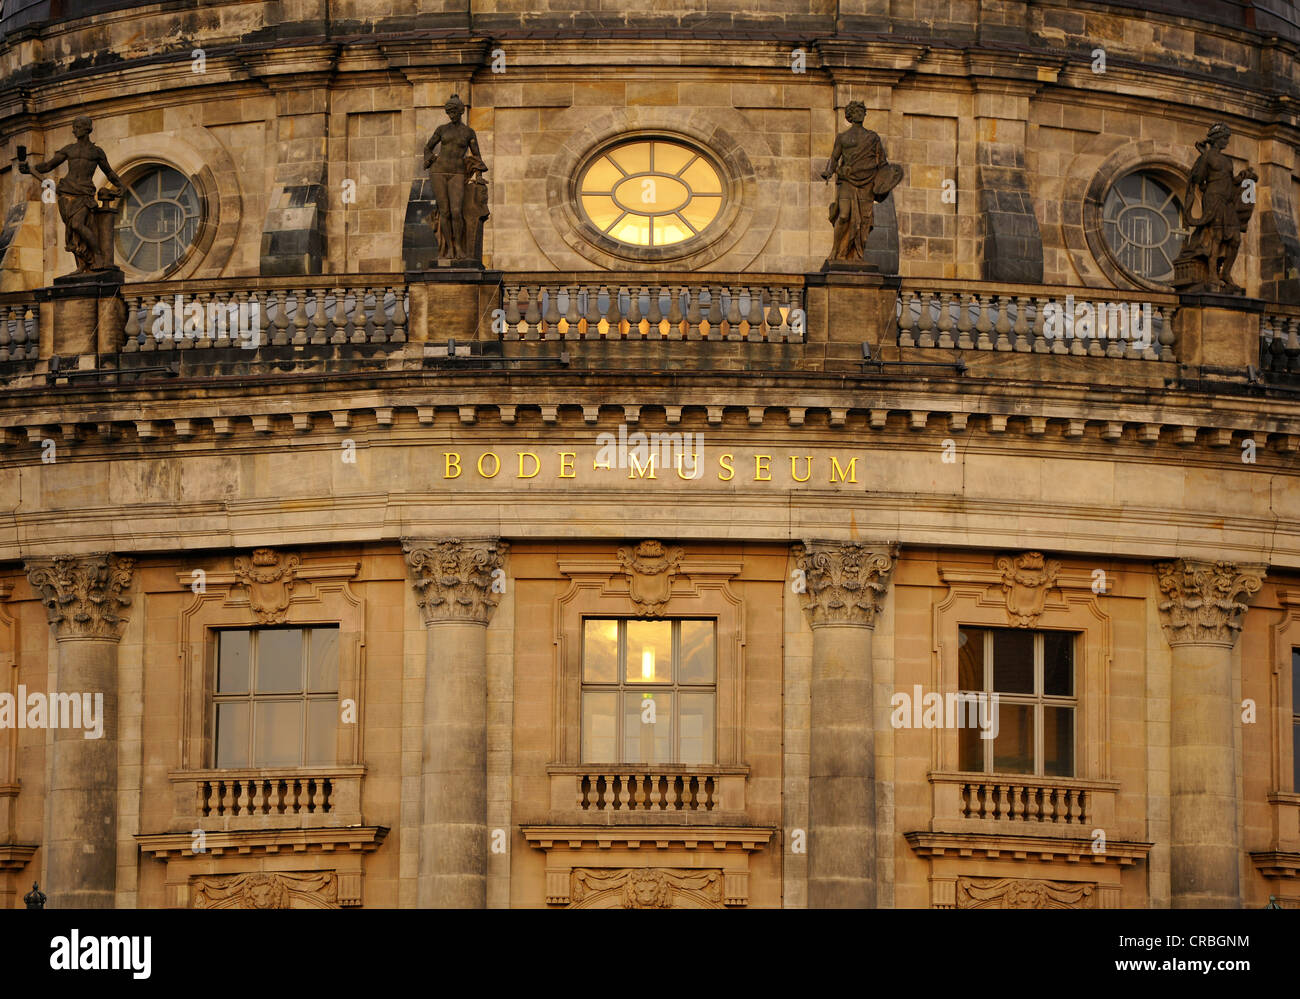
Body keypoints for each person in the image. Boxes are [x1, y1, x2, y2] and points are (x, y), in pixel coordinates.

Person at [19, 115, 123, 272]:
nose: (74, 131)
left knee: (77, 224)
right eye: (74, 127)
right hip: (67, 192)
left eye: (77, 127)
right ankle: (81, 265)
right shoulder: (69, 149)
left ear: (87, 128)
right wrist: (30, 169)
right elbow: (48, 166)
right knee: (72, 231)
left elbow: (108, 171)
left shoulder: (96, 152)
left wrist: (119, 184)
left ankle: (97, 255)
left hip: (84, 193)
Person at [1180, 122, 1257, 293]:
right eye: (1225, 138)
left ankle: (1226, 274)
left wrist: (1244, 176)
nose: (1227, 142)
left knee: (1235, 239)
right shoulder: (1207, 158)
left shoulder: (1227, 160)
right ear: (1217, 139)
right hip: (1214, 199)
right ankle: (1213, 275)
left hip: (1228, 201)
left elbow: (1230, 180)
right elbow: (1199, 179)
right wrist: (1203, 160)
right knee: (1217, 236)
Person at [822, 101, 896, 262]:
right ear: (850, 116)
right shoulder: (843, 137)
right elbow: (834, 157)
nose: (861, 114)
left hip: (867, 182)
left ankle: (856, 254)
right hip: (847, 180)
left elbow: (882, 162)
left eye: (862, 111)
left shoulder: (873, 137)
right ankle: (836, 251)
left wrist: (887, 179)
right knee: (843, 215)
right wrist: (828, 171)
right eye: (857, 111)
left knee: (863, 220)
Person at [424, 94, 484, 261]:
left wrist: (479, 174)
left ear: (460, 111)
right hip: (439, 172)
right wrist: (430, 159)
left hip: (457, 172)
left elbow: (477, 155)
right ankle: (449, 249)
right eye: (449, 112)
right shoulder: (442, 130)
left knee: (456, 211)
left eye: (454, 111)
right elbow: (427, 147)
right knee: (445, 211)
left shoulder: (468, 132)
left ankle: (458, 246)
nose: (451, 115)